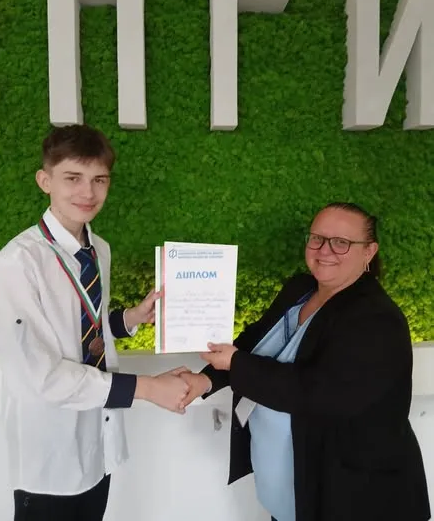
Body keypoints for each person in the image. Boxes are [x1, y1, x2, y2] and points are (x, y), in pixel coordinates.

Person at [180, 202, 431, 521]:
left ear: (368, 251)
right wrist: (205, 380)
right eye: (317, 238)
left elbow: (318, 393)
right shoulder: (300, 288)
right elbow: (254, 340)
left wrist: (237, 364)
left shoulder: (377, 319)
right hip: (288, 490)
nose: (325, 250)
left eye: (341, 242)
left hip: (350, 496)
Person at [0, 124, 190, 521]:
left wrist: (130, 319)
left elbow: (82, 329)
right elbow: (40, 376)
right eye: (73, 178)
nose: (88, 192)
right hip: (49, 456)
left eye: (99, 179)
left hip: (98, 442)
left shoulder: (99, 249)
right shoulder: (19, 262)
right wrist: (148, 388)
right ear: (45, 181)